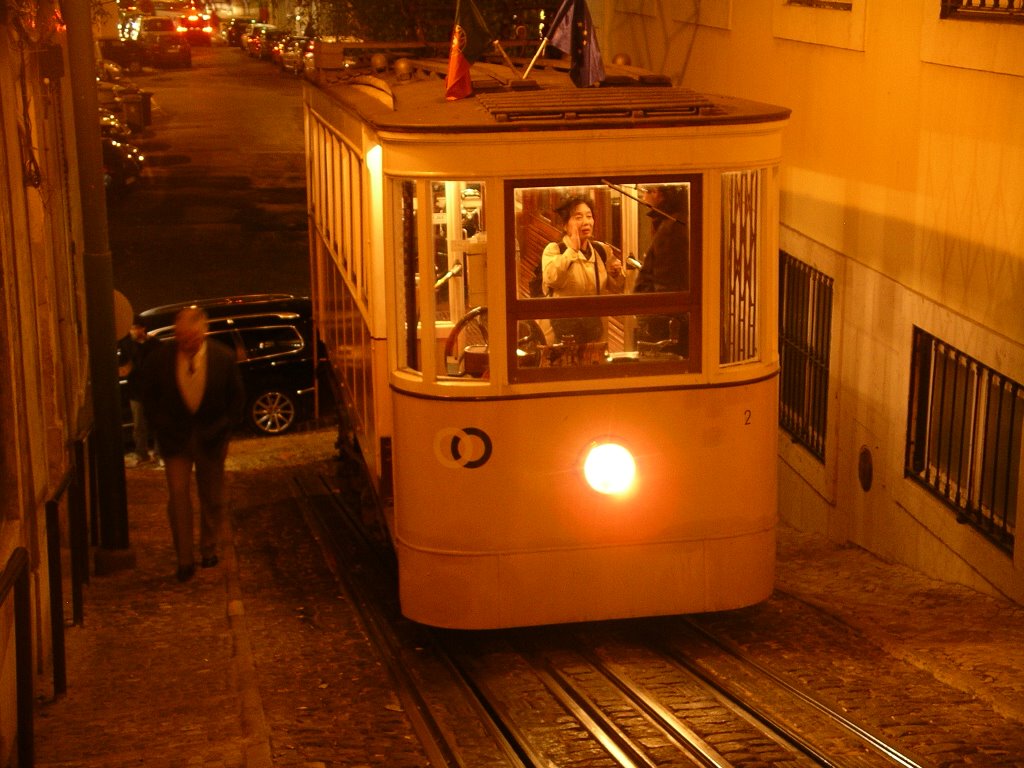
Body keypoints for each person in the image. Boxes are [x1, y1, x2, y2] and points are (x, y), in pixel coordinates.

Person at [141, 307, 244, 583]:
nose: (184, 342)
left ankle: (208, 546)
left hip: (211, 438)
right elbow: (147, 396)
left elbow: (236, 399)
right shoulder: (160, 359)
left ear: (202, 333)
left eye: (189, 337)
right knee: (178, 495)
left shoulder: (222, 358)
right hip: (175, 438)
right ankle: (184, 558)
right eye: (180, 336)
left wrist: (223, 429)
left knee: (211, 496)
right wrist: (160, 425)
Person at [541, 195, 624, 343]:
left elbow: (616, 288)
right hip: (564, 333)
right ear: (565, 225)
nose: (586, 222)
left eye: (589, 216)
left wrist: (616, 274)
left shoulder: (601, 250)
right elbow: (552, 278)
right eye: (578, 217)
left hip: (595, 332)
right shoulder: (555, 250)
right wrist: (572, 249)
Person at [634, 185, 690, 350]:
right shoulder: (675, 221)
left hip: (664, 323)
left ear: (657, 193)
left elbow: (666, 283)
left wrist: (652, 316)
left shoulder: (672, 227)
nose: (642, 197)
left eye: (644, 191)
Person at [117, 316, 158, 466]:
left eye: (136, 328)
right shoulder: (126, 344)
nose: (133, 331)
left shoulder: (154, 344)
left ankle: (159, 454)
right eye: (132, 328)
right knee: (139, 425)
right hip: (136, 391)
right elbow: (123, 365)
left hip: (153, 390)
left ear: (143, 329)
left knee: (156, 423)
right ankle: (142, 454)